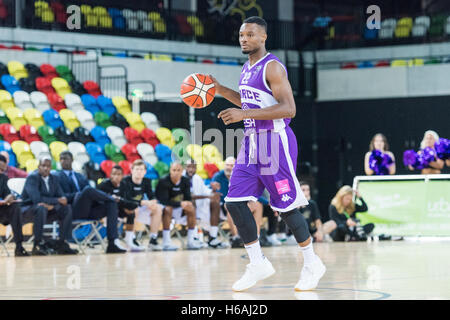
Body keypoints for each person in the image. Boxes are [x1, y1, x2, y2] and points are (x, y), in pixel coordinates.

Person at [211, 16, 325, 292]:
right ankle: (257, 262)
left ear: (263, 37)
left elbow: (288, 109)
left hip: (275, 142)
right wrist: (221, 91)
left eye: (250, 35)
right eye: (241, 35)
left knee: (285, 208)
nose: (244, 39)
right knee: (234, 202)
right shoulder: (246, 67)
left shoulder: (272, 67)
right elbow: (249, 101)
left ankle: (312, 263)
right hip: (251, 143)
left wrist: (243, 114)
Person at [54, 151, 126, 254]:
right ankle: (112, 198)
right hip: (72, 210)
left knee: (111, 204)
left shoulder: (80, 176)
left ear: (72, 160)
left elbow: (91, 193)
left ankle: (112, 243)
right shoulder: (56, 177)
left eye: (65, 158)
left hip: (89, 209)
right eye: (61, 159)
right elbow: (62, 197)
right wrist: (78, 195)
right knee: (88, 190)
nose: (63, 161)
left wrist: (85, 195)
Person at [21, 157, 77, 255]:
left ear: (51, 168)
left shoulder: (54, 178)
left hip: (47, 210)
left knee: (66, 208)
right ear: (39, 167)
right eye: (43, 166)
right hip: (28, 209)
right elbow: (36, 199)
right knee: (41, 208)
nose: (46, 168)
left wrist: (53, 206)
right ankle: (37, 244)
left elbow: (62, 197)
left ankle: (62, 243)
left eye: (48, 166)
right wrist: (56, 201)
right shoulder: (32, 178)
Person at [211, 157, 265, 248]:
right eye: (227, 165)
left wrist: (268, 202)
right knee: (230, 205)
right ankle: (236, 237)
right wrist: (213, 187)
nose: (228, 167)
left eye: (231, 165)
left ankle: (257, 236)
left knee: (258, 205)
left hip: (241, 202)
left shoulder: (242, 176)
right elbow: (214, 189)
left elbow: (251, 193)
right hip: (223, 205)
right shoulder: (218, 176)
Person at [155, 162, 203, 251]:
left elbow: (188, 198)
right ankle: (166, 242)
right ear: (170, 171)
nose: (176, 172)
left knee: (191, 207)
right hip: (164, 210)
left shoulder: (185, 181)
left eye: (178, 170)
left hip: (179, 209)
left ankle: (191, 241)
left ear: (182, 171)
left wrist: (186, 203)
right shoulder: (163, 181)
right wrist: (180, 204)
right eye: (174, 170)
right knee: (168, 209)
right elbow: (164, 201)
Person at [120, 160, 163, 251]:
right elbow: (127, 199)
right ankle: (132, 238)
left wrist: (153, 202)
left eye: (141, 169)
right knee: (134, 208)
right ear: (132, 170)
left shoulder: (146, 181)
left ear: (145, 172)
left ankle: (153, 239)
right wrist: (143, 202)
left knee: (158, 208)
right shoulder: (125, 181)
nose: (139, 171)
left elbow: (152, 196)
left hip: (140, 208)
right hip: (126, 210)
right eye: (137, 169)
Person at [184, 159, 228, 249]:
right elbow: (188, 196)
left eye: (193, 167)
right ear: (185, 167)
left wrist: (214, 191)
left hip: (199, 208)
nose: (191, 169)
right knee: (191, 203)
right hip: (183, 209)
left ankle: (212, 238)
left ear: (196, 168)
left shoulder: (197, 178)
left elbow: (205, 191)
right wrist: (208, 197)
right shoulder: (181, 178)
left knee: (215, 202)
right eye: (189, 167)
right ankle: (194, 238)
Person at [0, 155, 29, 256]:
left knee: (15, 208)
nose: (1, 172)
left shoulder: (3, 178)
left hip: (1, 210)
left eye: (2, 170)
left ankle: (19, 246)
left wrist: (10, 197)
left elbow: (6, 193)